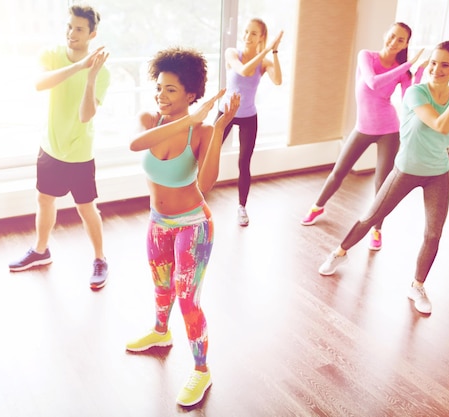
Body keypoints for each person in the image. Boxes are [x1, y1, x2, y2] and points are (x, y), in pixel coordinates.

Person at [318, 41, 449, 314]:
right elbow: (440, 124)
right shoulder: (416, 94)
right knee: (371, 216)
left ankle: (417, 286)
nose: (436, 68)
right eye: (433, 62)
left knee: (433, 234)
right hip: (406, 170)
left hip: (438, 174)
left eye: (445, 64)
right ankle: (339, 253)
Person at [126, 47, 240, 407]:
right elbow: (135, 145)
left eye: (171, 90)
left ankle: (201, 370)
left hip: (193, 225)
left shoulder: (202, 130)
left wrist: (218, 127)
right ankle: (160, 333)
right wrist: (187, 121)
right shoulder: (150, 119)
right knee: (161, 288)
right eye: (159, 87)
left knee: (187, 298)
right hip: (158, 222)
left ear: (192, 94)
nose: (161, 95)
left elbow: (206, 183)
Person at [8, 5, 111, 291]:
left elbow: (85, 115)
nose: (71, 33)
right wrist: (78, 66)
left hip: (79, 151)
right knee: (44, 199)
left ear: (92, 33)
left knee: (86, 207)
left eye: (79, 28)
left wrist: (90, 76)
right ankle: (41, 251)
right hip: (50, 146)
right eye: (69, 26)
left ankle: (100, 259)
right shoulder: (51, 55)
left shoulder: (103, 73)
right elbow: (39, 84)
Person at [301, 22, 425, 251]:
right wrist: (408, 64)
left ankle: (377, 229)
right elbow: (373, 81)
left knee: (381, 183)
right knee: (338, 172)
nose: (394, 41)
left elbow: (409, 100)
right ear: (385, 34)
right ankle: (318, 206)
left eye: (401, 40)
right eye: (392, 36)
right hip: (363, 128)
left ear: (406, 44)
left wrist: (416, 75)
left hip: (389, 129)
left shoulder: (402, 70)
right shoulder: (366, 56)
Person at [216, 18, 283, 226]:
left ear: (261, 37)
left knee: (244, 163)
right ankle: (192, 198)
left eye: (253, 33)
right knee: (205, 154)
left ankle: (242, 207)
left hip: (248, 117)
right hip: (225, 113)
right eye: (246, 32)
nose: (247, 37)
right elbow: (243, 70)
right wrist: (265, 50)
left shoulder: (264, 62)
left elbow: (278, 80)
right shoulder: (232, 53)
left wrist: (274, 52)